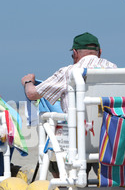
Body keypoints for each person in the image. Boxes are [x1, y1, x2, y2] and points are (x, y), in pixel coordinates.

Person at [21, 32, 117, 177]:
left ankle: (62, 183)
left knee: (54, 131)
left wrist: (28, 82)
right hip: (111, 137)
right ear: (100, 52)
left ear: (75, 53)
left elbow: (32, 94)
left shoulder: (70, 72)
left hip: (77, 140)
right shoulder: (115, 70)